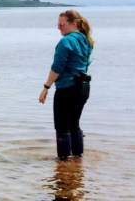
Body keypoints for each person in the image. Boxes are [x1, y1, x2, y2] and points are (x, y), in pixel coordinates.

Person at [38, 9, 93, 160]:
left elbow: (57, 67)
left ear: (73, 23)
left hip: (67, 89)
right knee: (74, 124)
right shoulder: (86, 40)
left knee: (62, 127)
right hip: (83, 87)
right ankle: (77, 159)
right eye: (58, 24)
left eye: (61, 24)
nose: (58, 27)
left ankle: (63, 162)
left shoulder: (66, 41)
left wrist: (46, 87)